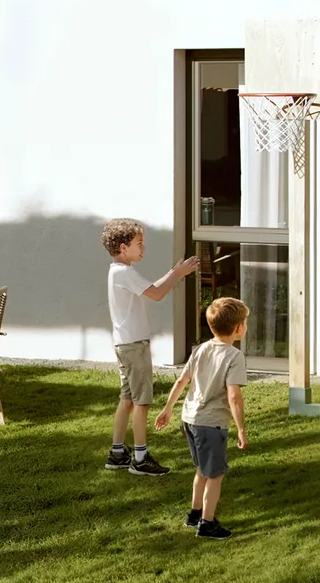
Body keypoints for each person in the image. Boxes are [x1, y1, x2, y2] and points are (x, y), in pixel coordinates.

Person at [100, 218, 200, 476]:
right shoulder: (125, 273)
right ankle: (140, 459)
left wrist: (173, 272)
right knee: (142, 402)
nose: (143, 248)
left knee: (128, 399)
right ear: (123, 248)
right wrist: (178, 274)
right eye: (139, 243)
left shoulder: (117, 272)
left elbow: (152, 288)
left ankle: (118, 453)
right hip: (134, 346)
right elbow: (156, 294)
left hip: (125, 344)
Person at [158, 297, 251, 540]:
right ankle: (207, 523)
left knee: (201, 469)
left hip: (190, 418)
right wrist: (241, 429)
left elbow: (182, 381)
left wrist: (167, 408)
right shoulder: (234, 356)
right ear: (239, 328)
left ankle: (194, 514)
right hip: (211, 424)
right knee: (215, 475)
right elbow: (234, 396)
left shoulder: (200, 350)